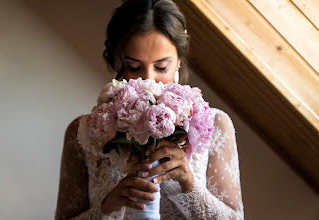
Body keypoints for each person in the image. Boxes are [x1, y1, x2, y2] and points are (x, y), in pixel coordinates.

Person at [55, 0, 244, 219]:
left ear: (179, 61)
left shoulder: (215, 124)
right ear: (118, 62)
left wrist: (189, 185)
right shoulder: (87, 131)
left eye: (161, 67)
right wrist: (107, 207)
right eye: (134, 67)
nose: (148, 79)